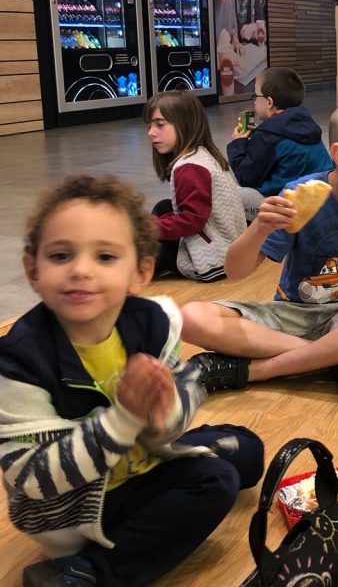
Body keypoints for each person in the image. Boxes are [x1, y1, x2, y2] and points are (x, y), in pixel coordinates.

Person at [0, 175, 263, 587]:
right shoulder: (19, 359)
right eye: (61, 255)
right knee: (217, 482)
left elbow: (179, 405)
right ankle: (89, 572)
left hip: (137, 460)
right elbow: (32, 479)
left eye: (105, 257)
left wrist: (163, 410)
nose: (81, 270)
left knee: (247, 450)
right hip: (71, 508)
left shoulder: (151, 321)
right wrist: (124, 418)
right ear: (33, 270)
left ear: (140, 272)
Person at [179, 101, 338, 397]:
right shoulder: (297, 195)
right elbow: (235, 271)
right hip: (292, 312)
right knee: (190, 317)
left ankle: (256, 371)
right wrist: (259, 228)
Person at [147, 91, 246, 282]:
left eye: (160, 124)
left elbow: (192, 222)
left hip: (214, 261)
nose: (151, 132)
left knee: (146, 243)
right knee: (163, 208)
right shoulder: (203, 154)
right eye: (150, 125)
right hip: (232, 247)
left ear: (185, 124)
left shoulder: (189, 168)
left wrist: (148, 228)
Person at [228, 66, 333, 219]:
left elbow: (246, 177)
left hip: (291, 209)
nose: (254, 101)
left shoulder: (269, 135)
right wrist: (259, 136)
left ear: (269, 102)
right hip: (321, 200)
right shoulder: (306, 123)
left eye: (255, 96)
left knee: (230, 194)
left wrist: (238, 143)